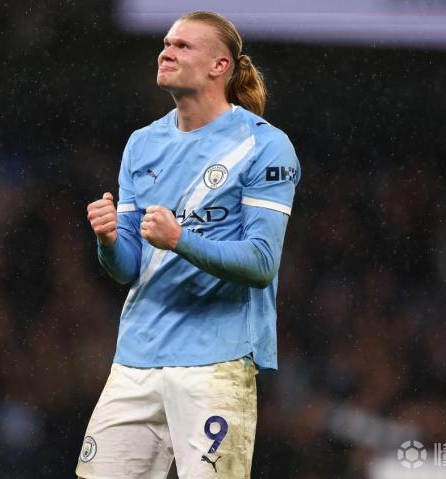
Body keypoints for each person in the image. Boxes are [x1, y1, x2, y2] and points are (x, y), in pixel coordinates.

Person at [77, 10, 301, 479]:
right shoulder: (141, 144)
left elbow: (262, 262)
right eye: (166, 43)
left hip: (216, 360)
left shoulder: (264, 146)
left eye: (182, 46)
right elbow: (128, 268)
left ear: (220, 66)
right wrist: (108, 240)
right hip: (137, 356)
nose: (167, 52)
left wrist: (180, 239)